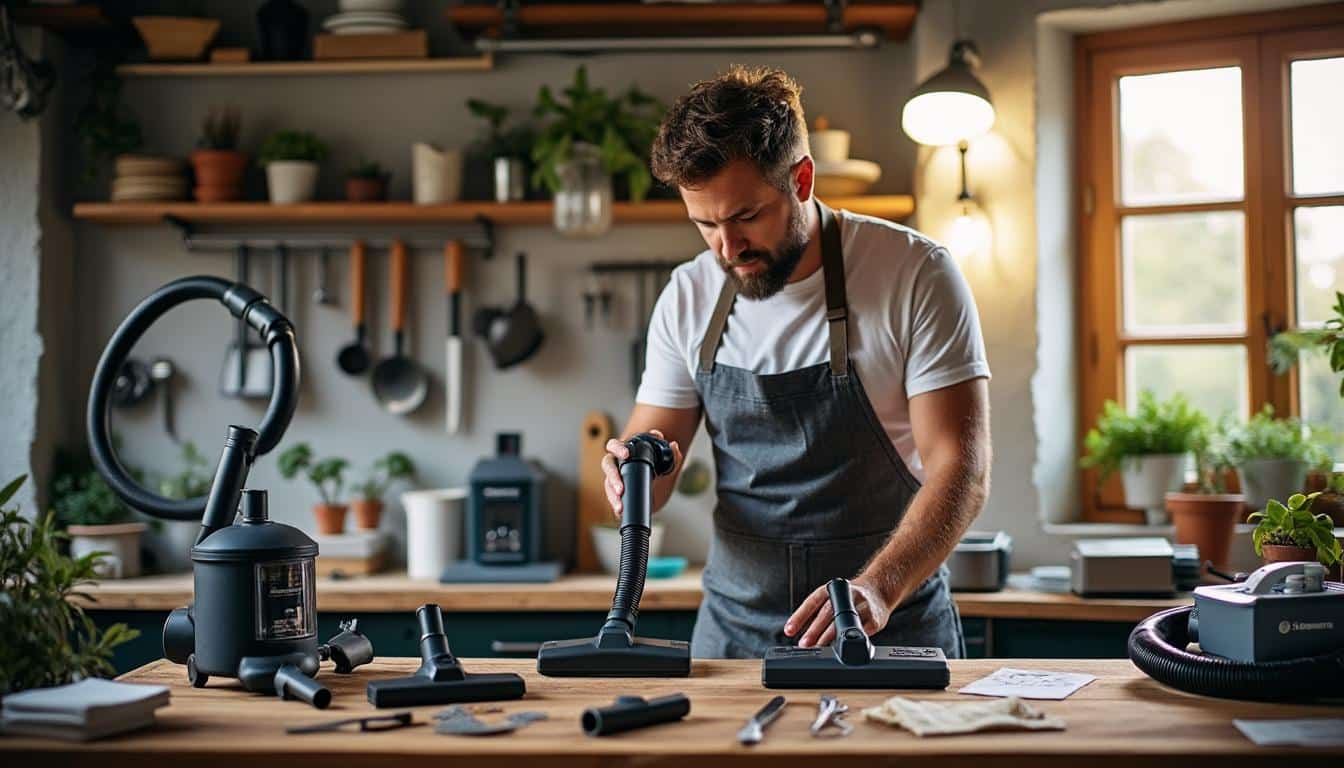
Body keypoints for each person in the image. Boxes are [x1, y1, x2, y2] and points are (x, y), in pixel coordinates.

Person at [600, 66, 992, 658]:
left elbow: (961, 467)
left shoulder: (914, 274)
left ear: (802, 178)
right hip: (735, 635)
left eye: (746, 217)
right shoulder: (688, 295)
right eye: (705, 224)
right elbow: (654, 464)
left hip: (884, 627)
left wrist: (879, 590)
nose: (727, 250)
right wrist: (632, 473)